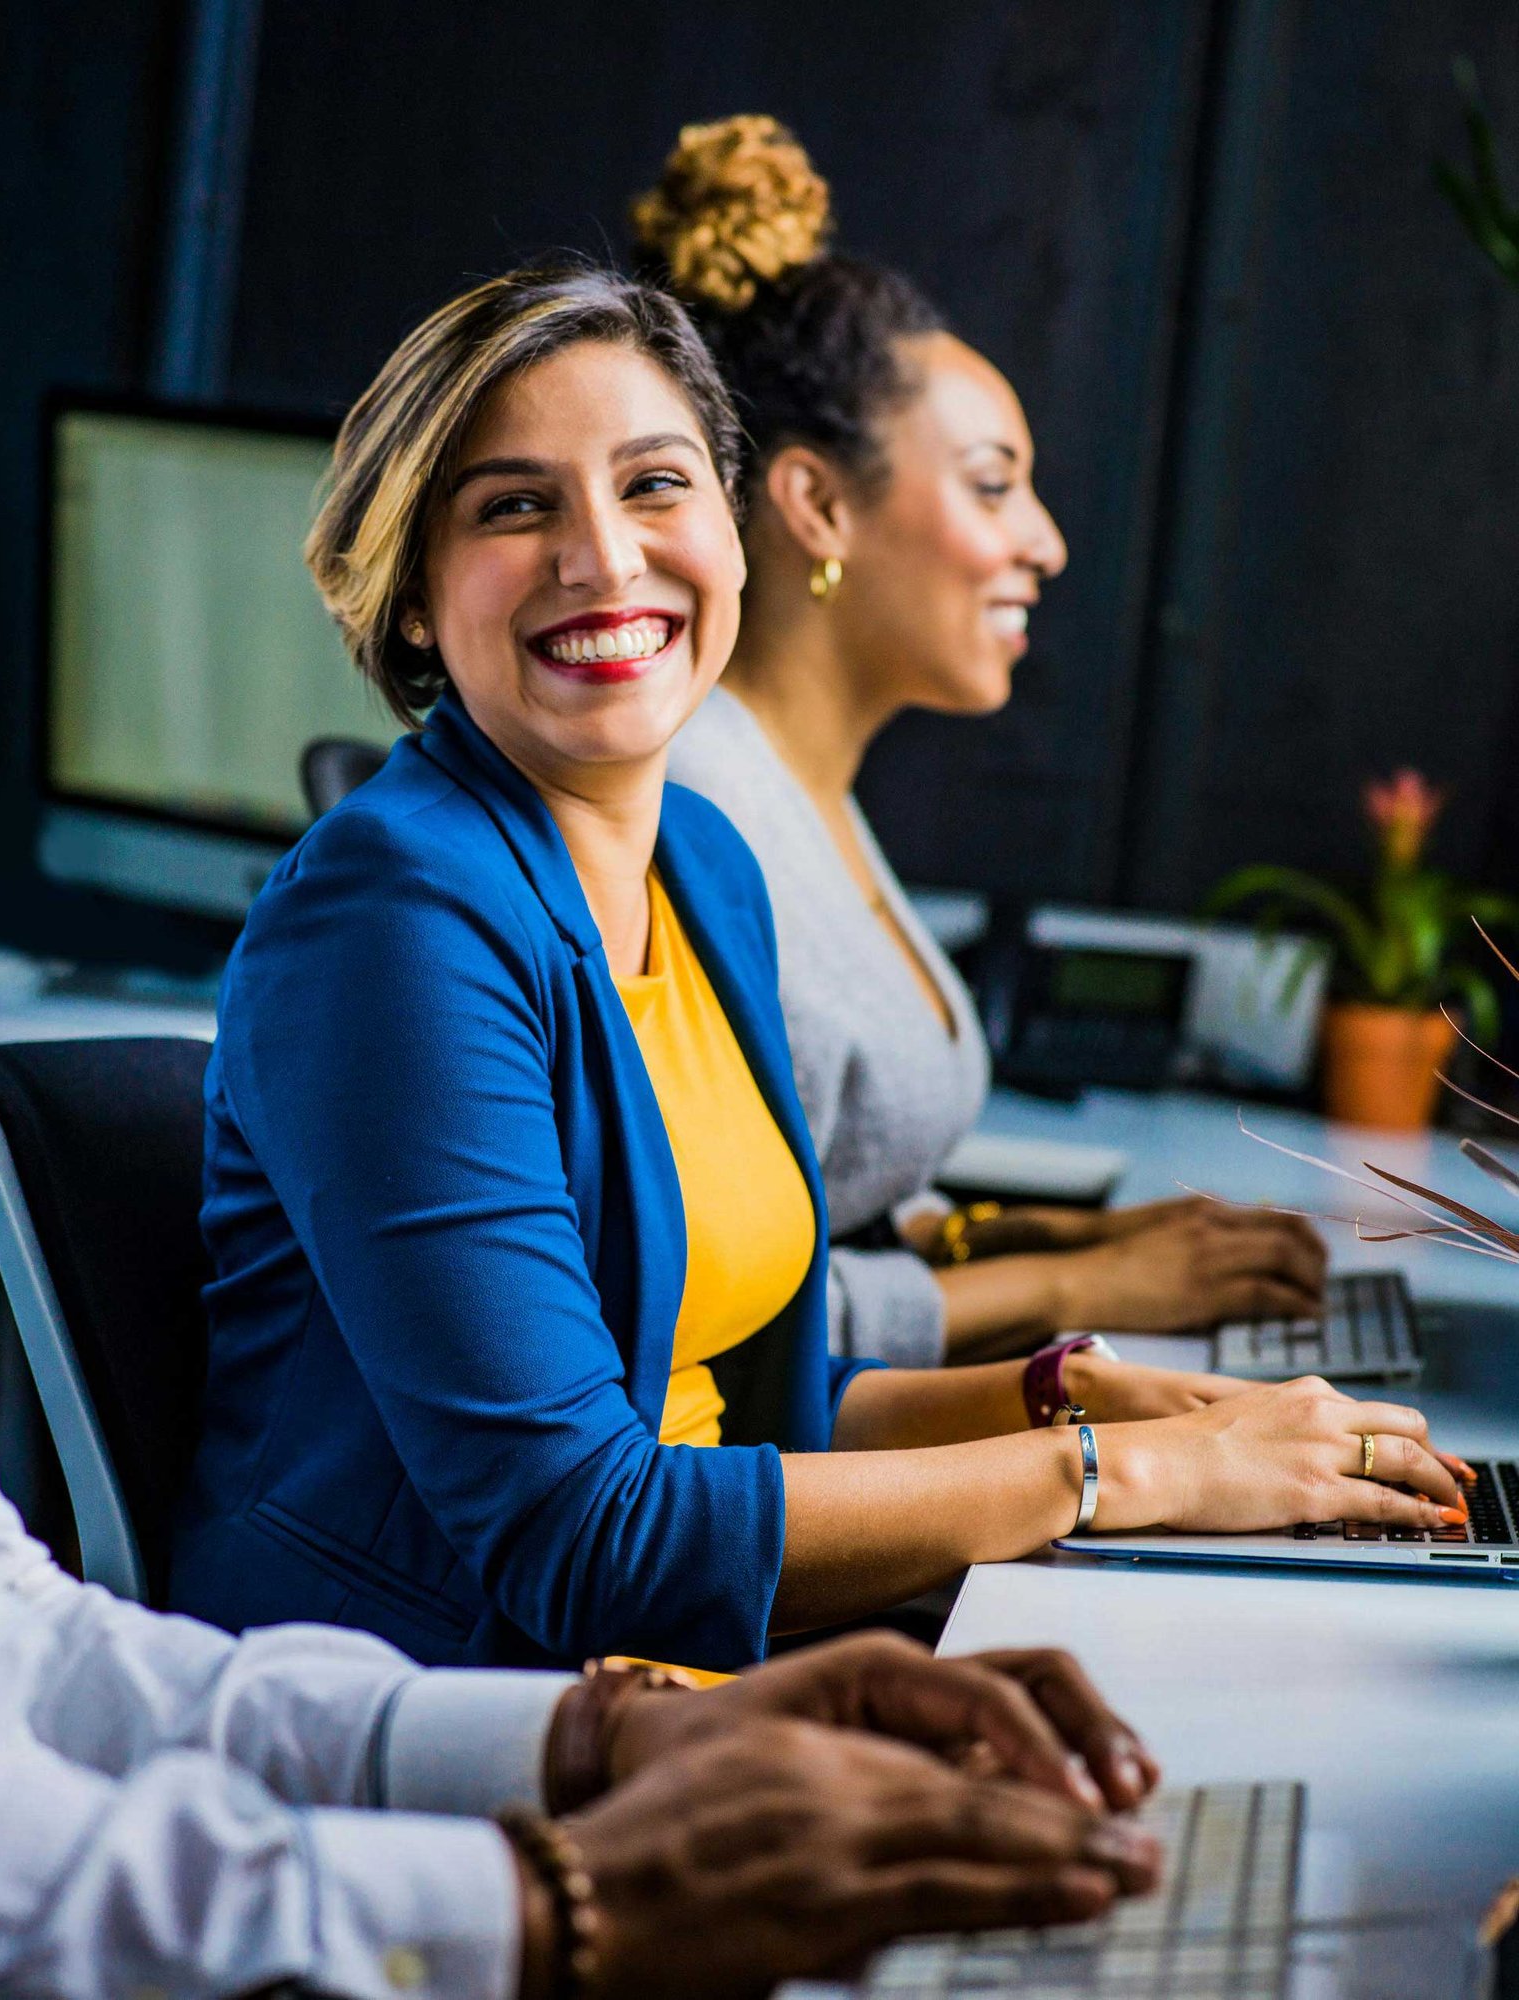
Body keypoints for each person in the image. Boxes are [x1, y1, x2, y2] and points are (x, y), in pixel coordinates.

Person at [0, 3, 1181, 1991]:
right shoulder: (384, 903)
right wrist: (555, 1894)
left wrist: (609, 1750)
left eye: (658, 486)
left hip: (330, 1799)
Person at [173, 258, 1468, 1679]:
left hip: (688, 1673)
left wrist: (1072, 1397)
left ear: (734, 530)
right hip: (443, 1716)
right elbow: (580, 1533)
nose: (604, 557)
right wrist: (1124, 1474)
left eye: (656, 485)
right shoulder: (392, 919)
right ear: (414, 597)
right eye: (514, 506)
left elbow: (750, 1412)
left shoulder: (708, 868)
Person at [641, 116, 1332, 1369]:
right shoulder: (698, 817)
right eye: (991, 482)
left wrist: (1057, 1238)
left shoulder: (803, 793)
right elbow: (714, 1319)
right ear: (816, 502)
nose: (1045, 542)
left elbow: (830, 1206)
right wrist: (1078, 1283)